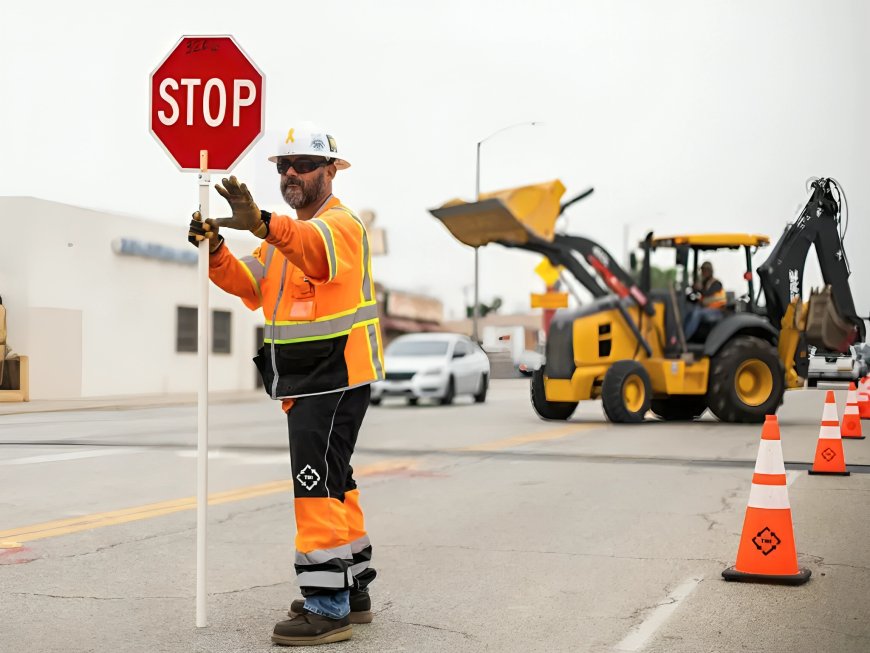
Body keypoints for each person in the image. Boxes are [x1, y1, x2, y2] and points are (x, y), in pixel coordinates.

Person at [188, 121, 384, 647]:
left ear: (330, 171)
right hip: (310, 377)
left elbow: (314, 253)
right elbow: (251, 285)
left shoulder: (338, 225)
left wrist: (263, 224)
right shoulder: (283, 236)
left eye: (303, 165)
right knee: (335, 479)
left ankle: (326, 609)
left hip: (334, 377)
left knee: (314, 482)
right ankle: (351, 589)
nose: (291, 173)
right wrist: (216, 252)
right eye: (283, 166)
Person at [683, 261, 727, 341]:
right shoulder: (705, 283)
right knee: (689, 309)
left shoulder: (716, 283)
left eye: (705, 270)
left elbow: (708, 293)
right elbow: (699, 295)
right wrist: (694, 289)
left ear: (710, 271)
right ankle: (681, 334)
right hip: (706, 309)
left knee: (697, 313)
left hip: (717, 311)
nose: (703, 272)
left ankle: (684, 339)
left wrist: (699, 288)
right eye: (702, 270)